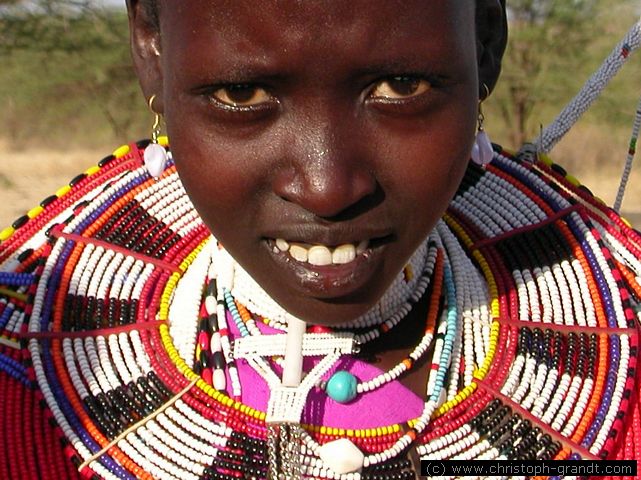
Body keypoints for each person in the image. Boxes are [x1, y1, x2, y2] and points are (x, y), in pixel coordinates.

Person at [0, 1, 639, 479]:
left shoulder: (622, 352)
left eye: (402, 86)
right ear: (153, 51)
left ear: (485, 46)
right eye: (241, 92)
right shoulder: (22, 378)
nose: (327, 188)